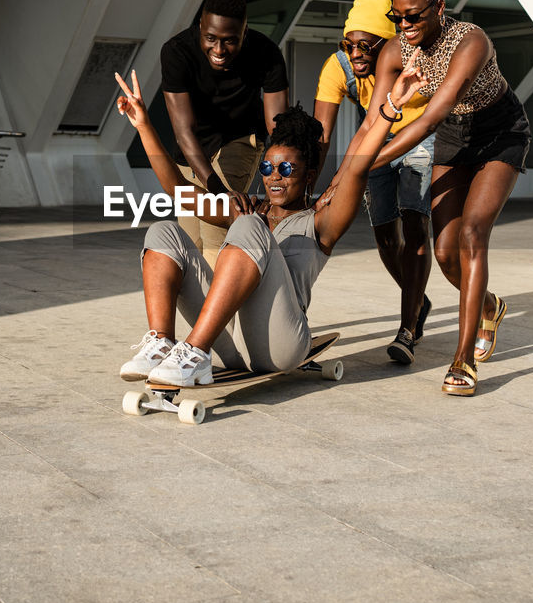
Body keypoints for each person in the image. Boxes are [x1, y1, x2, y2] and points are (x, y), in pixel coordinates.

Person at [114, 60, 423, 387]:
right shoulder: (248, 209)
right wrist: (144, 126)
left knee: (249, 228)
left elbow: (359, 170)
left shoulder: (321, 222)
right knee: (163, 232)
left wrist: (390, 109)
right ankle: (163, 343)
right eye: (266, 169)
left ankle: (194, 349)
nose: (274, 177)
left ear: (309, 175)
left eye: (286, 170)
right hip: (228, 343)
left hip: (280, 346)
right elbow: (178, 189)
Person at [357, 0, 531, 397]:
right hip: (456, 136)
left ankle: (464, 359)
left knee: (472, 234)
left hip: (500, 134)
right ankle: (489, 305)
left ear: (439, 7)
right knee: (444, 253)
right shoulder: (397, 51)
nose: (404, 26)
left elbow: (433, 115)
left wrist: (369, 164)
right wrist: (350, 169)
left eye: (413, 16)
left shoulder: (470, 41)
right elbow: (372, 120)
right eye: (397, 17)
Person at [312, 0, 435, 365]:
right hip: (378, 136)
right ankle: (418, 300)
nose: (356, 54)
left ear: (388, 44)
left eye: (367, 45)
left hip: (422, 136)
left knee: (415, 224)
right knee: (384, 234)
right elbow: (322, 135)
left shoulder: (416, 59)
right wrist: (311, 189)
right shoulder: (338, 68)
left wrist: (343, 176)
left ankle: (407, 329)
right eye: (349, 44)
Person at [161, 0, 289, 267]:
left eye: (230, 41)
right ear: (200, 28)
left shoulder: (266, 53)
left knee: (216, 234)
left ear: (244, 32)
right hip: (191, 151)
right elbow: (184, 131)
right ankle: (204, 311)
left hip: (238, 142)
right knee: (189, 246)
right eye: (211, 39)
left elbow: (279, 126)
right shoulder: (176, 52)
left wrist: (280, 180)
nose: (219, 50)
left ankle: (220, 310)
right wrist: (217, 189)